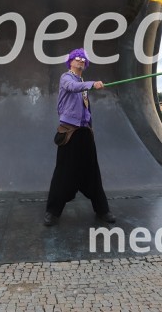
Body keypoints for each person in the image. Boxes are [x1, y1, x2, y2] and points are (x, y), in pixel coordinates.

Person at [44, 48, 114, 227]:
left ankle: (102, 210)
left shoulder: (82, 81)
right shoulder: (66, 78)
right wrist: (92, 84)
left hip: (84, 131)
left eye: (83, 59)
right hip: (69, 131)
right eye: (77, 58)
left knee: (92, 171)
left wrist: (89, 122)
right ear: (70, 62)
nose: (81, 60)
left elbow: (84, 103)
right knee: (63, 172)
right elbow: (72, 88)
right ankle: (52, 212)